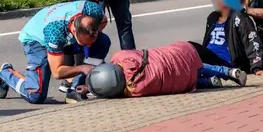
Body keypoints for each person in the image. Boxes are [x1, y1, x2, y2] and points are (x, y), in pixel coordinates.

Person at [0, 0, 111, 104]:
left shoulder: (93, 10)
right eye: (85, 42)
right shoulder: (54, 32)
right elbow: (57, 72)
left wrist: (90, 40)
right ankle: (6, 73)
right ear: (74, 31)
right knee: (35, 95)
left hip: (66, 37)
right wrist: (82, 68)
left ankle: (76, 89)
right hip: (37, 41)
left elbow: (103, 21)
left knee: (102, 41)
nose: (89, 46)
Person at [72, 41, 248, 99]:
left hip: (181, 81)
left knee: (184, 77)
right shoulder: (120, 56)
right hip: (180, 55)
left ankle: (209, 83)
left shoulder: (135, 91)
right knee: (191, 63)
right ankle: (227, 72)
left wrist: (90, 89)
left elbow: (113, 87)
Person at [200, 0, 263, 76]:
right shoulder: (212, 17)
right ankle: (209, 81)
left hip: (225, 61)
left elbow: (252, 41)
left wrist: (257, 67)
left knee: (193, 51)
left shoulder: (239, 18)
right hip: (208, 58)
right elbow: (206, 42)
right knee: (189, 54)